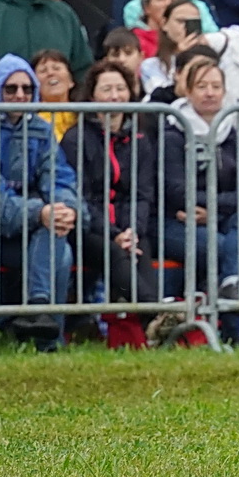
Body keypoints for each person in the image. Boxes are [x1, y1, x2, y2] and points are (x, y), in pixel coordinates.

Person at [0, 55, 81, 349]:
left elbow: (59, 176)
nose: (19, 95)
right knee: (57, 247)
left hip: (35, 228)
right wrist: (40, 212)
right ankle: (47, 335)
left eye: (26, 89)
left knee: (60, 242)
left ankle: (39, 313)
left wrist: (64, 208)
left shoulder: (41, 128)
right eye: (10, 89)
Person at [145, 55, 239, 317]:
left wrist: (213, 210)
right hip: (173, 221)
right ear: (187, 91)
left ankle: (230, 287)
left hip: (215, 217)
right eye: (201, 86)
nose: (210, 93)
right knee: (223, 247)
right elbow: (176, 192)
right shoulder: (172, 134)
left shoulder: (231, 133)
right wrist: (229, 203)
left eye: (215, 86)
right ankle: (226, 306)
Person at [59, 61, 169, 333]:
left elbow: (143, 194)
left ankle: (152, 327)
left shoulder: (140, 138)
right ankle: (157, 316)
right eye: (106, 89)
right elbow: (81, 197)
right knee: (115, 252)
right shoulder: (76, 138)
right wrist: (113, 233)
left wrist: (132, 230)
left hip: (128, 224)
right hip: (89, 226)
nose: (115, 96)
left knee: (141, 248)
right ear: (92, 96)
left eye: (120, 88)